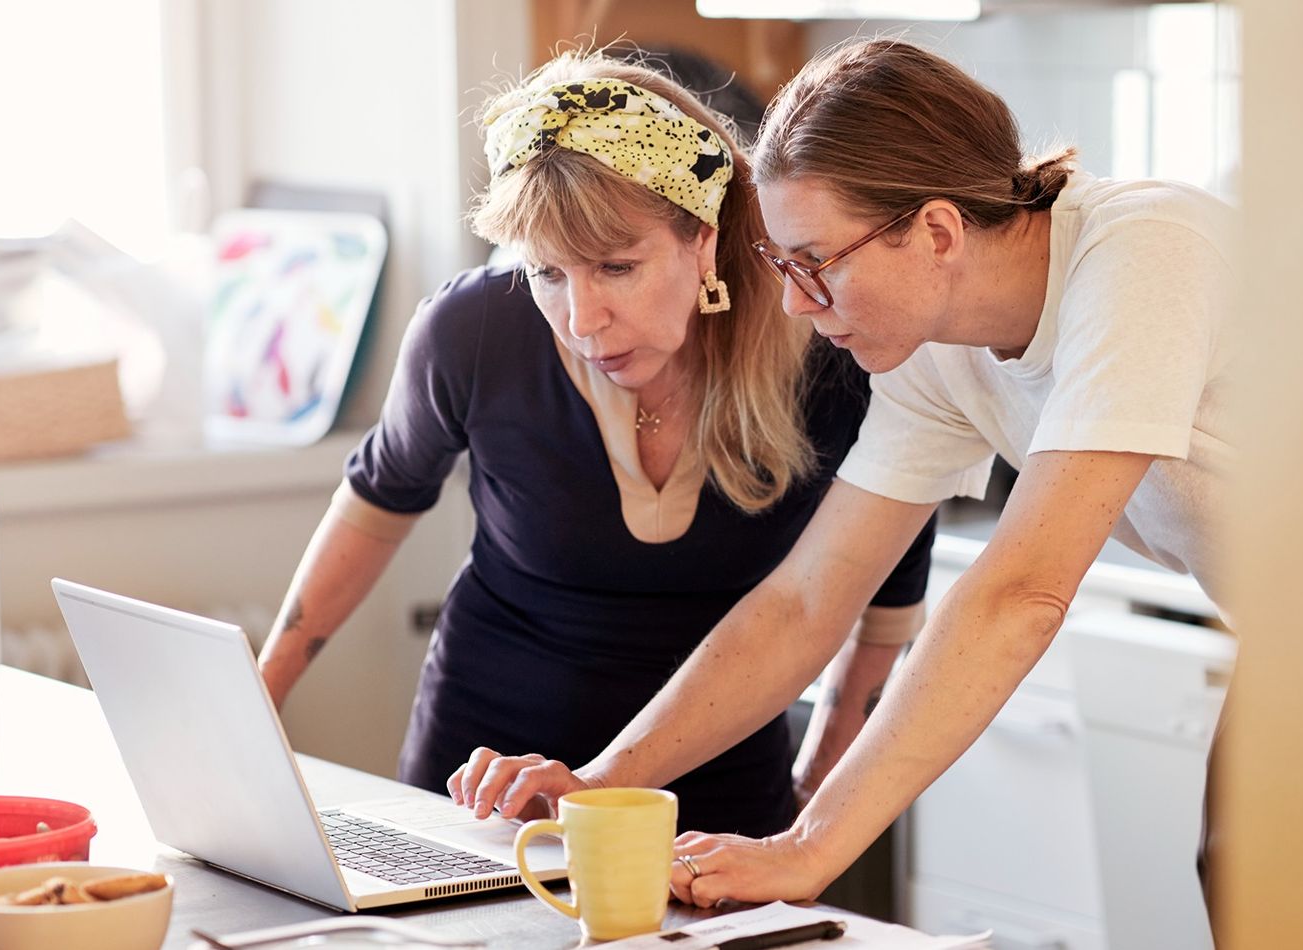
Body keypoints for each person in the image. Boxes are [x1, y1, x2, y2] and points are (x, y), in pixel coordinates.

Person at [454, 36, 1238, 906]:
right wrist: (600, 782)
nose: (791, 302)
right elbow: (807, 600)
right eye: (779, 266)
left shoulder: (1147, 249)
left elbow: (1025, 591)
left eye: (814, 264)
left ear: (937, 231)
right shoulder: (936, 352)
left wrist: (808, 847)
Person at [257, 49, 937, 839]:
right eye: (548, 272)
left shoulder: (828, 352)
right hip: (482, 785)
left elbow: (881, 607)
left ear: (703, 238)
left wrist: (810, 815)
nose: (582, 320)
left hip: (712, 800)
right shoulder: (474, 332)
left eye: (617, 267)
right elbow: (375, 504)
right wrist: (261, 697)